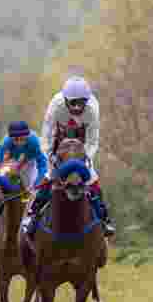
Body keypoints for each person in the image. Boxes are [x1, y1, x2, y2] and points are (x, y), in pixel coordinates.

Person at [22, 76, 115, 237]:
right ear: (65, 100)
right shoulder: (56, 106)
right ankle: (32, 214)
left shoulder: (92, 109)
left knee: (92, 178)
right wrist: (51, 156)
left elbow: (92, 141)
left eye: (81, 102)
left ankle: (104, 219)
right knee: (50, 176)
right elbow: (46, 136)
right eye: (73, 102)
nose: (78, 107)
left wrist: (85, 159)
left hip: (81, 147)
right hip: (59, 145)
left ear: (87, 100)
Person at [0, 120, 48, 238]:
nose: (19, 142)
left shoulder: (34, 142)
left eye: (22, 139)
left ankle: (31, 219)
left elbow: (43, 165)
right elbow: (0, 165)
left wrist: (37, 183)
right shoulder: (4, 144)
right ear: (10, 138)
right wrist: (8, 170)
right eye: (16, 139)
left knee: (32, 190)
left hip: (31, 162)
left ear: (27, 136)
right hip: (12, 162)